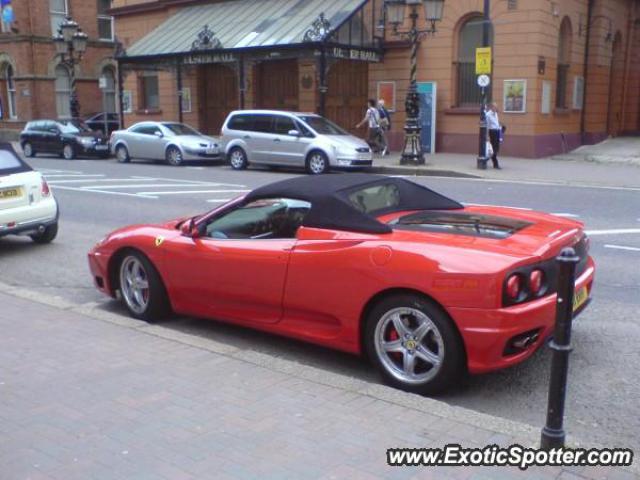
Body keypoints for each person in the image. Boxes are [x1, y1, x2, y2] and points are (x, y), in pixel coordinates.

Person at [485, 102, 502, 169]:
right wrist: (487, 136)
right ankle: (495, 164)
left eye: (496, 107)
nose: (496, 108)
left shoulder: (496, 113)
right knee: (493, 149)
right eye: (495, 107)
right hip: (492, 132)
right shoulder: (488, 115)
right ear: (491, 107)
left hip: (497, 132)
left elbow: (496, 123)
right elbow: (487, 126)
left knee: (496, 149)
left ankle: (487, 159)